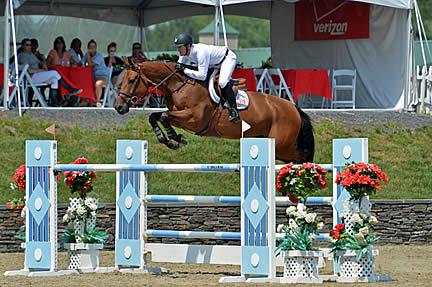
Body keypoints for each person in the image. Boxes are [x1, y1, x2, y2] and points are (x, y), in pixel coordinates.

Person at [173, 32, 240, 123]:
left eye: (180, 47)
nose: (178, 50)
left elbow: (202, 76)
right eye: (177, 47)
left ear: (188, 46)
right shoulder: (184, 53)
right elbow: (179, 66)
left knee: (223, 82)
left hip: (227, 59)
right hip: (213, 64)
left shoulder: (200, 52)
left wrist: (185, 70)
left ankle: (233, 110)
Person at [18, 38, 82, 107]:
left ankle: (53, 103)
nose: (29, 46)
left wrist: (43, 64)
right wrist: (41, 70)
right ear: (23, 46)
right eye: (27, 45)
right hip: (31, 77)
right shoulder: (23, 55)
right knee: (55, 73)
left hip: (37, 75)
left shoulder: (30, 54)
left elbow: (39, 61)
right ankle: (69, 89)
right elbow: (29, 70)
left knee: (54, 80)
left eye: (30, 45)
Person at [82, 39, 110, 108]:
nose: (92, 49)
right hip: (92, 76)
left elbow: (90, 64)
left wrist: (88, 55)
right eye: (90, 47)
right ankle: (84, 101)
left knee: (98, 83)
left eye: (93, 47)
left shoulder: (99, 56)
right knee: (83, 81)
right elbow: (81, 63)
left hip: (103, 76)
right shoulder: (86, 55)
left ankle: (98, 102)